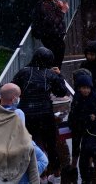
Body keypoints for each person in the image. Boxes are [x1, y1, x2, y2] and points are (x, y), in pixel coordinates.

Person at [12, 47, 68, 178]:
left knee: (28, 145)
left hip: (27, 115)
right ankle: (56, 172)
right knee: (51, 145)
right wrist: (59, 75)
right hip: (45, 115)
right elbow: (61, 92)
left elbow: (13, 87)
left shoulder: (23, 72)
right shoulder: (50, 74)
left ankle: (31, 173)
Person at [29, 0, 68, 68]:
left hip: (54, 36)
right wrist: (63, 11)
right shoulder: (45, 5)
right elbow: (52, 22)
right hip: (51, 37)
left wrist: (58, 8)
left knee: (58, 55)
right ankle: (53, 75)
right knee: (55, 58)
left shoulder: (50, 3)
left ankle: (55, 73)